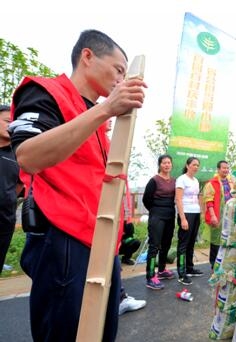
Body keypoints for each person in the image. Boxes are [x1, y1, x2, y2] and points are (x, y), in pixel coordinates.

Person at [8, 29, 146, 341]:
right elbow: (28, 156)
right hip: (64, 239)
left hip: (100, 241)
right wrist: (106, 108)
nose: (121, 80)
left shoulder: (97, 119)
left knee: (99, 333)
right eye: (118, 70)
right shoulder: (46, 92)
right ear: (87, 56)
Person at [142, 154, 176, 290]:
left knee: (166, 244)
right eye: (164, 163)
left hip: (170, 214)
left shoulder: (174, 181)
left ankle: (161, 270)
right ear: (159, 165)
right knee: (154, 246)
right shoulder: (154, 180)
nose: (167, 165)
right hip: (157, 215)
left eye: (169, 162)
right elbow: (146, 199)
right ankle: (150, 276)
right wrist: (155, 209)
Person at [0, 105, 23, 274]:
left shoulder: (18, 154)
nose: (12, 125)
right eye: (8, 121)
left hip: (5, 220)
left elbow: (20, 184)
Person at [175, 156, 203, 285]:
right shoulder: (182, 179)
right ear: (187, 166)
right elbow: (178, 199)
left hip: (195, 213)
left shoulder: (196, 180)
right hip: (185, 213)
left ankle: (189, 268)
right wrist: (183, 218)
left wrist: (200, 213)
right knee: (183, 244)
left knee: (191, 243)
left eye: (198, 165)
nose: (196, 167)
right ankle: (181, 273)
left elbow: (196, 198)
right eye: (194, 164)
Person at [203, 160, 234, 269]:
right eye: (223, 168)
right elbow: (209, 201)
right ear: (218, 169)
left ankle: (225, 262)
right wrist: (212, 216)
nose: (225, 170)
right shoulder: (212, 183)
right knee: (216, 240)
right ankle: (214, 264)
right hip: (217, 215)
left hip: (230, 215)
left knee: (229, 238)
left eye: (227, 168)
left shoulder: (231, 182)